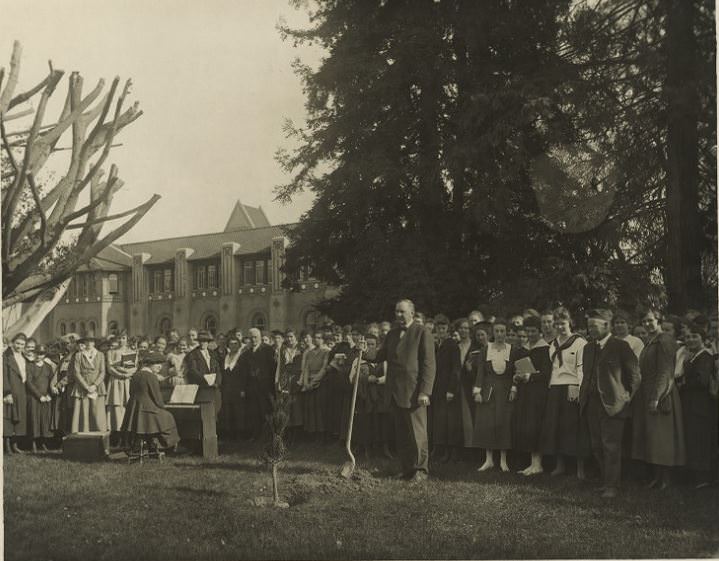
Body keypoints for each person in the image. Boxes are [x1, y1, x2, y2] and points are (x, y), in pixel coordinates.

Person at [579, 309, 641, 498]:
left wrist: (627, 397)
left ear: (607, 325)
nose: (591, 330)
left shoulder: (621, 346)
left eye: (594, 326)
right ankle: (606, 481)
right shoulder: (588, 348)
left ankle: (612, 486)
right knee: (597, 445)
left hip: (613, 405)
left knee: (611, 446)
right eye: (589, 326)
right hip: (591, 404)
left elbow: (635, 376)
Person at [373, 299, 436, 484]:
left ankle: (421, 470)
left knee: (418, 433)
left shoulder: (422, 332)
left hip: (414, 392)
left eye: (402, 312)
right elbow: (379, 355)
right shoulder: (392, 333)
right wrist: (363, 351)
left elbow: (429, 365)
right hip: (394, 391)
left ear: (412, 313)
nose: (398, 315)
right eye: (396, 312)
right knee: (402, 434)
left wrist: (425, 391)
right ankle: (407, 468)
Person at [631, 309, 686, 489]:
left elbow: (665, 372)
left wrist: (656, 397)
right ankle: (657, 477)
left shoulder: (665, 340)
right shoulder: (650, 342)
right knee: (653, 438)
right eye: (644, 321)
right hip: (648, 392)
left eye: (650, 320)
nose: (647, 324)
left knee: (662, 437)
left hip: (662, 394)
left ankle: (666, 479)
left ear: (659, 321)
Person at [539, 307, 588, 478]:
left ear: (570, 323)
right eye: (557, 324)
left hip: (572, 386)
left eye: (563, 323)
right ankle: (560, 465)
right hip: (555, 388)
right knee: (556, 427)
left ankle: (579, 468)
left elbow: (581, 368)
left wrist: (579, 389)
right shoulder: (552, 344)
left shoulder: (580, 342)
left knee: (573, 428)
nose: (560, 327)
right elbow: (552, 369)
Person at [472, 318, 520, 473]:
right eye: (497, 331)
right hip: (489, 391)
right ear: (493, 332)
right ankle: (489, 460)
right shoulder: (487, 349)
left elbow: (516, 372)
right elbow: (480, 371)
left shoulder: (512, 349)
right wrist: (477, 391)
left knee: (503, 424)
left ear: (506, 333)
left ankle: (503, 461)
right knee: (487, 424)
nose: (499, 334)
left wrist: (513, 389)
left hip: (505, 392)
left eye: (502, 331)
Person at [677, 323, 717, 488]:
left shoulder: (705, 356)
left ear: (703, 339)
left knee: (700, 439)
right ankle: (695, 475)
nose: (690, 340)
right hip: (692, 404)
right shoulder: (692, 356)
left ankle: (703, 477)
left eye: (695, 336)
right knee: (693, 438)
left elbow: (701, 381)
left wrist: (683, 384)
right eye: (687, 337)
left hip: (700, 406)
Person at [512, 316, 551, 476]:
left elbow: (547, 373)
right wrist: (517, 377)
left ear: (539, 331)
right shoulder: (524, 348)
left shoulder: (545, 348)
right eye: (528, 331)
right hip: (525, 392)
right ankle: (532, 463)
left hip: (538, 393)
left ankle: (538, 464)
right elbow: (518, 368)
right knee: (527, 426)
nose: (530, 334)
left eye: (533, 331)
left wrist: (531, 376)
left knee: (535, 427)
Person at [121, 351, 180, 451]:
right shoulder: (151, 377)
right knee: (169, 417)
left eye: (161, 364)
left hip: (134, 411)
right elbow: (157, 398)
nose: (160, 367)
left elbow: (131, 392)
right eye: (158, 364)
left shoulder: (135, 375)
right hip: (147, 412)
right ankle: (165, 445)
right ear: (150, 364)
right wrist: (164, 406)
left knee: (163, 416)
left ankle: (152, 443)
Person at [431, 315, 463, 463]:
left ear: (448, 329)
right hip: (437, 388)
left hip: (449, 389)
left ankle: (452, 453)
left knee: (450, 422)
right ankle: (440, 450)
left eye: (443, 328)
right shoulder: (437, 345)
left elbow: (456, 370)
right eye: (438, 328)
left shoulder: (452, 345)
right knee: (440, 421)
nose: (441, 331)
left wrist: (451, 390)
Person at [242, 327, 276, 439]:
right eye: (251, 337)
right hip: (252, 387)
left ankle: (269, 435)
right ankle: (256, 434)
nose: (253, 340)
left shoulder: (267, 349)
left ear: (260, 337)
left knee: (266, 410)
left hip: (265, 386)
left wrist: (270, 385)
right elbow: (245, 371)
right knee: (254, 411)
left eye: (255, 337)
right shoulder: (247, 353)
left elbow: (272, 368)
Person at [70, 336, 108, 433]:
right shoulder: (78, 355)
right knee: (83, 412)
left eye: (91, 341)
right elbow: (76, 372)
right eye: (86, 341)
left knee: (97, 412)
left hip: (97, 387)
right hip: (82, 387)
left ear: (94, 343)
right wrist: (86, 386)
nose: (88, 343)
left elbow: (102, 372)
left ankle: (99, 434)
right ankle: (83, 435)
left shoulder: (100, 355)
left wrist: (95, 385)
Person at [184, 330, 222, 418]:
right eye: (201, 341)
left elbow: (218, 370)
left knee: (215, 411)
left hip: (214, 388)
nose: (203, 343)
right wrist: (206, 379)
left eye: (205, 341)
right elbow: (192, 371)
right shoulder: (192, 355)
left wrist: (217, 382)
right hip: (201, 387)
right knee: (202, 414)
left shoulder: (213, 354)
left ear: (208, 342)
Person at [106, 332, 137, 440]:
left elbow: (134, 367)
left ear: (127, 339)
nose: (121, 340)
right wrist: (121, 373)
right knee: (115, 404)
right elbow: (110, 368)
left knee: (126, 403)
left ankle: (126, 432)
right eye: (119, 338)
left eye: (123, 338)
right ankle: (115, 432)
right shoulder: (111, 352)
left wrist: (127, 374)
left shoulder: (132, 352)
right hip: (116, 381)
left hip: (127, 381)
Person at [26, 345, 55, 452]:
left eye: (41, 354)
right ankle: (33, 444)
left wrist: (49, 395)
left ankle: (43, 443)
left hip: (46, 397)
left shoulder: (48, 367)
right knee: (34, 420)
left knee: (44, 420)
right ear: (34, 354)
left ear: (45, 355)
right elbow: (29, 383)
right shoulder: (29, 366)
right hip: (34, 397)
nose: (39, 356)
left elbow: (52, 382)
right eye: (37, 353)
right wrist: (39, 396)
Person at [3, 333, 28, 454]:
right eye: (17, 343)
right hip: (11, 389)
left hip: (21, 389)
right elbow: (4, 376)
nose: (19, 346)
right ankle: (7, 446)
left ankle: (15, 444)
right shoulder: (6, 357)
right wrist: (6, 392)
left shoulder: (23, 356)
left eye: (22, 344)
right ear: (13, 343)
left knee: (19, 417)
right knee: (8, 417)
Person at [301, 331, 329, 437]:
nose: (316, 339)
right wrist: (306, 383)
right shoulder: (309, 352)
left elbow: (324, 368)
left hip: (320, 383)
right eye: (315, 337)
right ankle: (312, 432)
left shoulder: (326, 351)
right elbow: (306, 368)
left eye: (319, 337)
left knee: (319, 408)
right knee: (311, 408)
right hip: (309, 383)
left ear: (323, 339)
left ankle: (322, 433)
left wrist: (313, 382)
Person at [220, 335, 247, 439]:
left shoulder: (241, 358)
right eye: (231, 343)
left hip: (238, 389)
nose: (233, 346)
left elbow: (244, 375)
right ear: (228, 345)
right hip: (227, 389)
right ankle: (230, 434)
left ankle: (239, 434)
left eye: (235, 343)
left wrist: (243, 389)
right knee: (228, 411)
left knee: (238, 411)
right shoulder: (225, 358)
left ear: (239, 345)